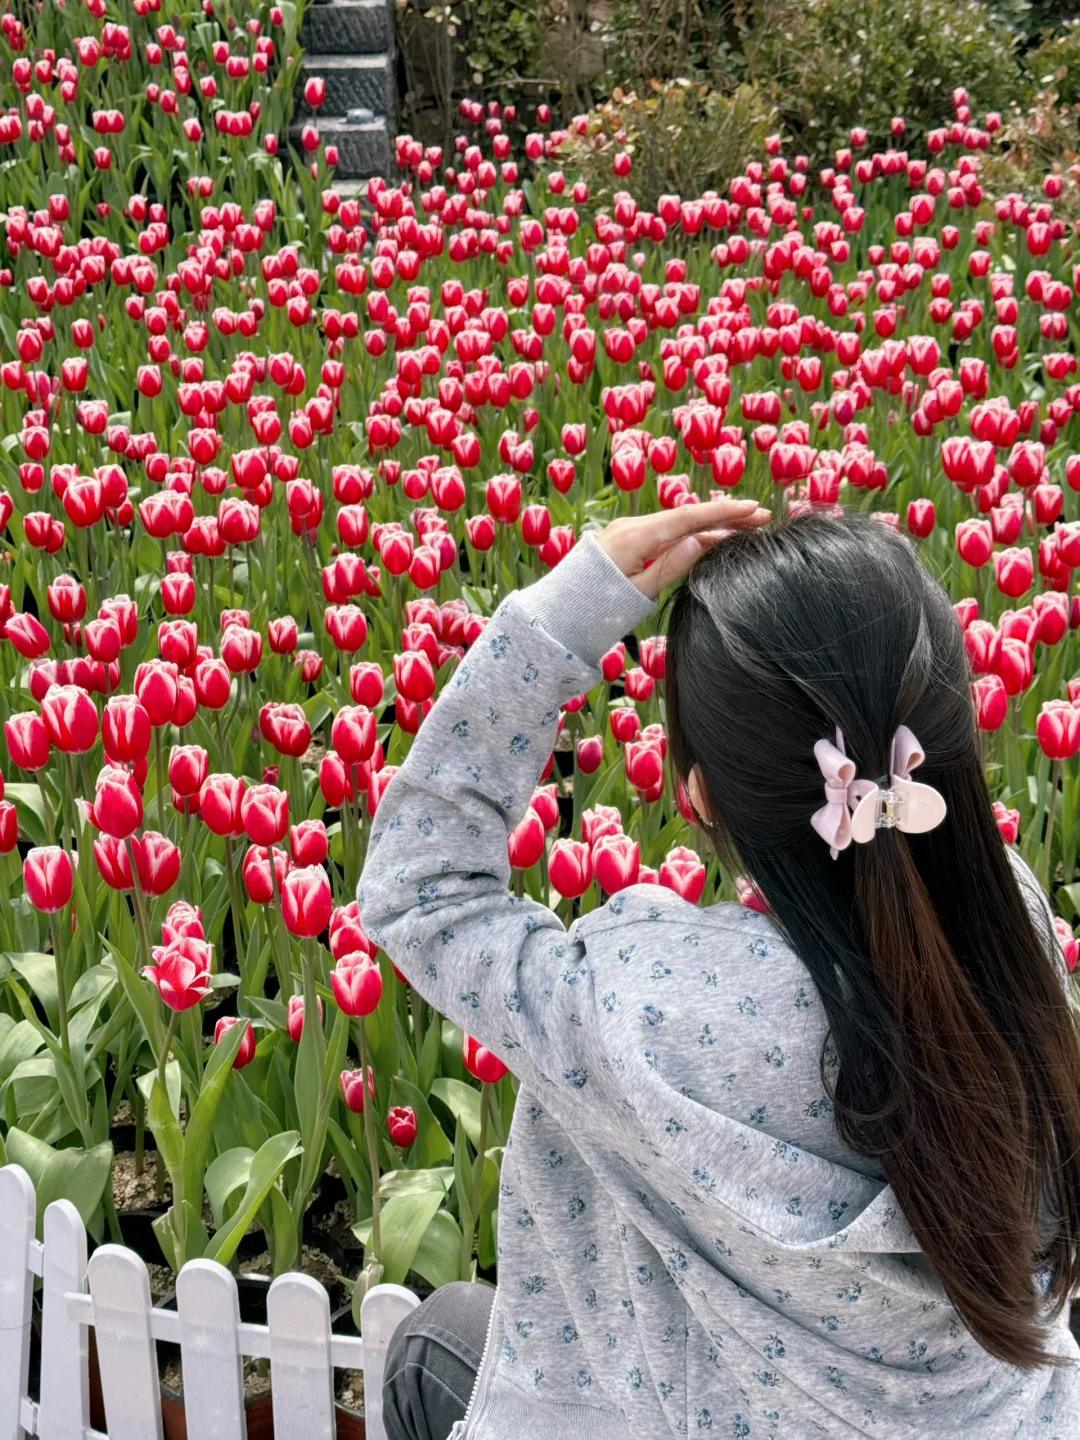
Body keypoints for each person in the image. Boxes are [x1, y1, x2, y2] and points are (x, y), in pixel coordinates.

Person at [358, 501, 1080, 1440]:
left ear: (694, 791)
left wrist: (561, 616)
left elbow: (423, 889)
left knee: (431, 1346)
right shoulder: (1006, 928)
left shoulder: (644, 1005)